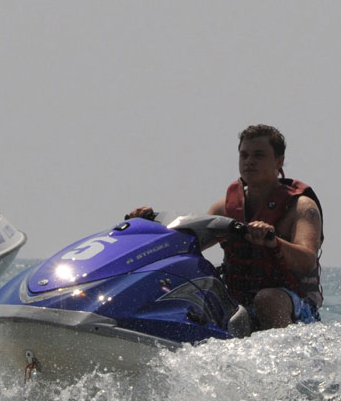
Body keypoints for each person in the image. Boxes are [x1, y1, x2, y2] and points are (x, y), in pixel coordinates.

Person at [129, 124, 323, 329]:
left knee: (267, 299)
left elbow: (307, 261)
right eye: (244, 155)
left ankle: (285, 357)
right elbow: (184, 243)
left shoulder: (302, 207)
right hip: (240, 302)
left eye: (259, 155)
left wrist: (273, 241)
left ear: (279, 161)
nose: (249, 161)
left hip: (294, 305)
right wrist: (146, 224)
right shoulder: (225, 208)